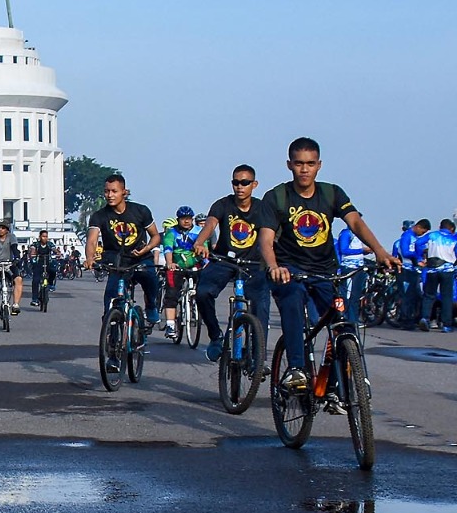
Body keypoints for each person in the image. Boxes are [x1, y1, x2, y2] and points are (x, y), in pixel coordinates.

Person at [258, 137, 397, 410]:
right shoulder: (277, 197)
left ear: (319, 165)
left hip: (325, 271)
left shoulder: (331, 193)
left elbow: (355, 221)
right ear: (289, 165)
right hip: (289, 269)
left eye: (310, 164)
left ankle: (335, 385)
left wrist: (379, 250)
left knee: (343, 323)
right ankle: (296, 369)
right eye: (299, 163)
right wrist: (274, 267)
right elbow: (265, 238)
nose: (304, 169)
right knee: (293, 300)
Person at [191, 164, 275, 362]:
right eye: (236, 182)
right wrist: (200, 242)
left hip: (253, 264)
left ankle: (258, 356)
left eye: (245, 182)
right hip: (224, 261)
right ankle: (215, 336)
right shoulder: (223, 204)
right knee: (202, 292)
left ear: (254, 184)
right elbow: (210, 224)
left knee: (261, 304)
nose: (240, 186)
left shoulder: (262, 208)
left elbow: (271, 236)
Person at [85, 174, 161, 371]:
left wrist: (146, 249)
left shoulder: (140, 211)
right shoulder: (99, 216)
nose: (110, 195)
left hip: (140, 257)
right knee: (111, 304)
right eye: (106, 191)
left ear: (124, 192)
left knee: (150, 277)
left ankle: (151, 307)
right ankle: (112, 355)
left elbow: (155, 236)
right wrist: (90, 258)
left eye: (114, 191)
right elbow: (92, 240)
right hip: (116, 260)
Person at [159, 206, 200, 338]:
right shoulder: (171, 232)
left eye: (189, 218)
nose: (186, 221)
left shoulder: (199, 231)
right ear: (178, 220)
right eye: (183, 219)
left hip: (195, 264)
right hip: (177, 266)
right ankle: (170, 325)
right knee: (171, 294)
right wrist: (170, 263)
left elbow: (204, 247)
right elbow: (168, 248)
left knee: (204, 291)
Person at [417, 219, 456, 332]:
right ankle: (446, 324)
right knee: (446, 297)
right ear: (451, 229)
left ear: (440, 227)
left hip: (432, 270)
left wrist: (419, 257)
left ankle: (425, 318)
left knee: (429, 295)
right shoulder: (454, 238)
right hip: (447, 270)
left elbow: (418, 243)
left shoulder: (432, 235)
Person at [391, 219, 430, 328]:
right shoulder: (407, 236)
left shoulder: (416, 238)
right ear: (418, 227)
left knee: (415, 296)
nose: (422, 234)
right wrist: (416, 257)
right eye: (422, 232)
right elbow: (405, 252)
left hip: (413, 271)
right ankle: (405, 321)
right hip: (405, 270)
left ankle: (413, 318)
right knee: (406, 296)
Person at [334, 221, 372, 325]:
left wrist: (364, 252)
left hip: (358, 268)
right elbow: (344, 249)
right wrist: (361, 250)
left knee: (355, 296)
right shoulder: (346, 233)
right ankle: (349, 319)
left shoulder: (357, 234)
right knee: (348, 295)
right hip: (349, 268)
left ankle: (354, 319)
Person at [29, 228, 56, 299]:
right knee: (35, 280)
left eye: (46, 236)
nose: (45, 238)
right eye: (43, 236)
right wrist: (32, 254)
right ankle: (34, 299)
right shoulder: (35, 244)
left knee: (53, 270)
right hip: (38, 264)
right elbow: (32, 250)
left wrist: (58, 253)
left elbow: (54, 249)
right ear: (40, 237)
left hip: (48, 263)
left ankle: (50, 284)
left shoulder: (50, 244)